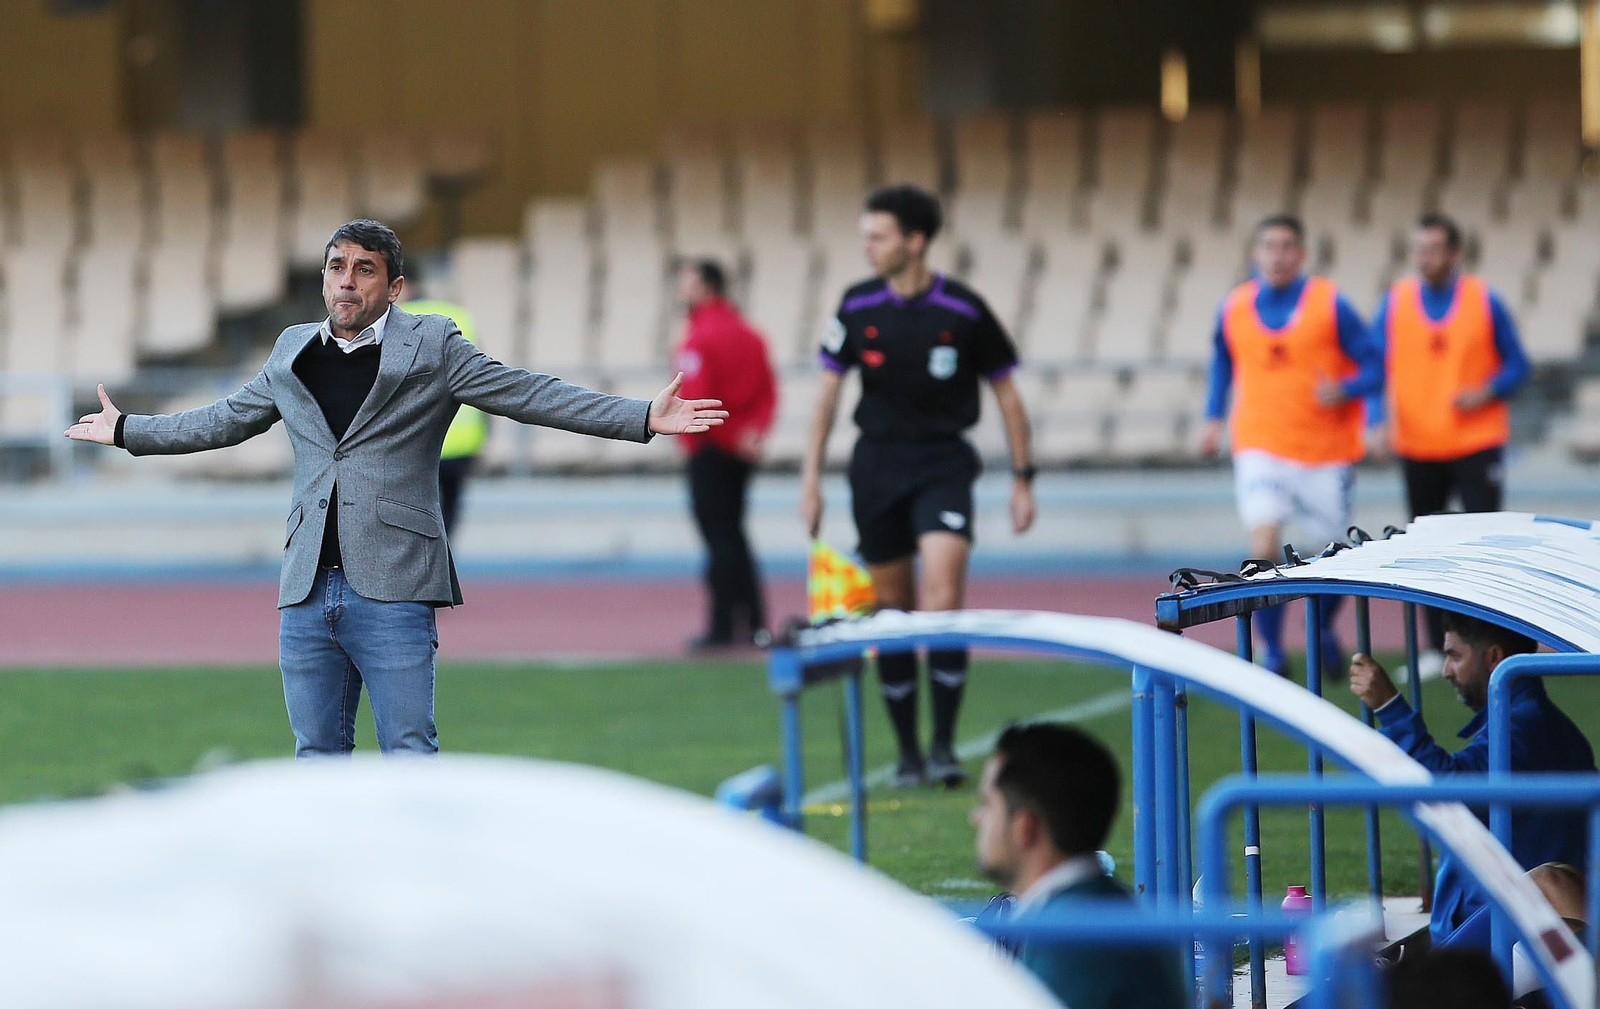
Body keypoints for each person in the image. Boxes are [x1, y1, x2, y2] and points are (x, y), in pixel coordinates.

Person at [65, 220, 726, 757]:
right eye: (336, 267)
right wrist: (127, 429)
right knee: (317, 755)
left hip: (395, 583)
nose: (346, 281)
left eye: (364, 269)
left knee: (409, 752)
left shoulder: (432, 344)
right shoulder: (291, 350)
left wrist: (640, 416)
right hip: (306, 587)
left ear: (395, 285)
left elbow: (527, 393)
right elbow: (223, 420)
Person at [801, 184, 1037, 787]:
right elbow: (827, 396)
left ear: (916, 241)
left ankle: (944, 747)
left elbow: (1007, 394)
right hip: (876, 467)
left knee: (943, 597)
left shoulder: (964, 310)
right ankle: (907, 753)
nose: (867, 247)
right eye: (865, 236)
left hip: (943, 465)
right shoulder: (856, 305)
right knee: (893, 612)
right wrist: (810, 478)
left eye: (878, 236)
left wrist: (1022, 479)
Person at [1199, 213, 1384, 677]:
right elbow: (1222, 360)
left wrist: (1347, 389)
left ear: (1301, 254)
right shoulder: (1234, 307)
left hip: (1325, 452)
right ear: (1255, 253)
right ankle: (1273, 650)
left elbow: (1375, 366)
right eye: (1269, 246)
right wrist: (1213, 417)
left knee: (1333, 553)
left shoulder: (1330, 304)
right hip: (1260, 445)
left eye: (1286, 247)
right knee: (1263, 542)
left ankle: (1320, 627)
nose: (1277, 256)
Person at [1348, 612, 1594, 949]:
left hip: (1494, 941)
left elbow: (1449, 792)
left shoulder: (1525, 728)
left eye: (1455, 656)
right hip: (1500, 926)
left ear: (1493, 657)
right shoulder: (1537, 723)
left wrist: (1390, 708)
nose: (1446, 670)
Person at [1371, 213, 1530, 679]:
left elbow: (1518, 365)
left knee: (1484, 545)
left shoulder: (1484, 301)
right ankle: (1433, 648)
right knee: (1426, 549)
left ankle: (1495, 644)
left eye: (1435, 249)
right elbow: (1373, 364)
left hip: (1477, 442)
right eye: (1419, 249)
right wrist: (1376, 421)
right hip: (1418, 445)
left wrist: (1488, 390)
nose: (1425, 258)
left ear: (1456, 253)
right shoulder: (1396, 302)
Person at [969, 722, 1186, 1009]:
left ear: (1024, 827)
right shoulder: (1091, 907)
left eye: (987, 804)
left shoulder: (1070, 939)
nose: (975, 818)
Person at [672, 259, 778, 650]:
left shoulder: (699, 338)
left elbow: (695, 400)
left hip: (710, 450)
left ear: (706, 287)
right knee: (733, 534)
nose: (681, 291)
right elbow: (767, 392)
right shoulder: (750, 335)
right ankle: (753, 621)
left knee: (720, 540)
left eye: (687, 283)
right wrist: (753, 433)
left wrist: (696, 444)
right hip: (740, 451)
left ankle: (724, 625)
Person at [400, 297, 489, 536]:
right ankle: (445, 551)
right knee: (450, 508)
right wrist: (486, 434)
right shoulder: (460, 316)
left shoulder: (399, 318)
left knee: (415, 509)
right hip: (463, 442)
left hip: (417, 441)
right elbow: (482, 375)